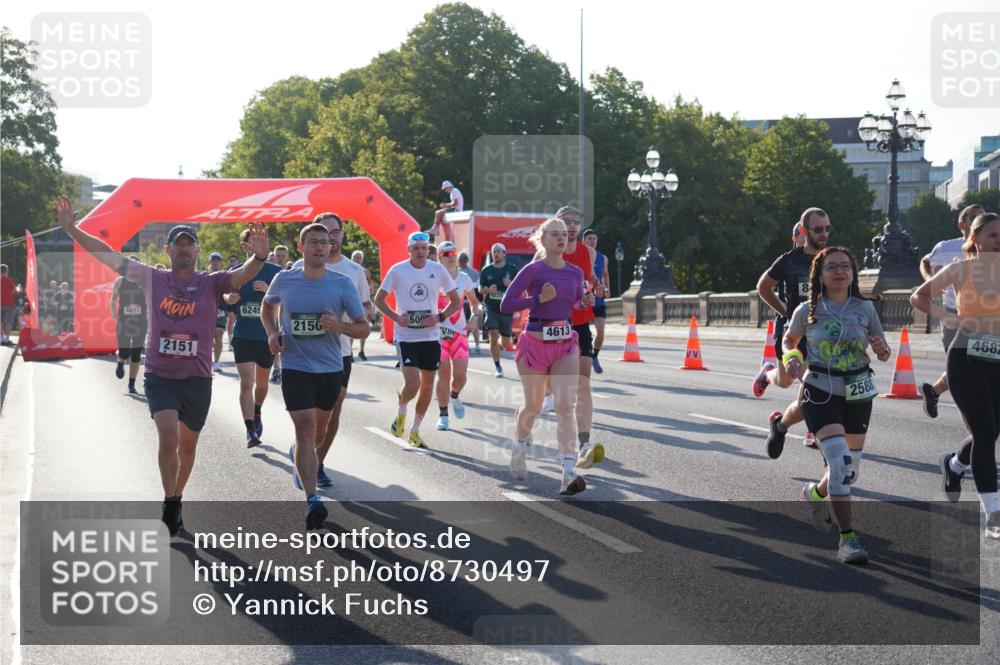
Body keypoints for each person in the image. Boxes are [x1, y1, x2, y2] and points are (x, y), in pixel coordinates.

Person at [54, 195, 269, 535]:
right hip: (161, 375)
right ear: (168, 250)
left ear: (197, 249)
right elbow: (108, 256)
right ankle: (170, 499)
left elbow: (243, 275)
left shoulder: (211, 282)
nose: (184, 248)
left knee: (188, 445)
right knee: (169, 438)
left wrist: (259, 256)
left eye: (189, 243)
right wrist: (72, 230)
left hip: (197, 377)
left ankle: (176, 496)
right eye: (178, 244)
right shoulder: (152, 277)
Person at [781, 246, 891, 564]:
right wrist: (792, 358)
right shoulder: (807, 310)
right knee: (840, 464)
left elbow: (884, 353)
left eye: (845, 266)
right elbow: (788, 341)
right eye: (831, 267)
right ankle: (848, 540)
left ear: (853, 273)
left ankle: (814, 494)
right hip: (819, 390)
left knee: (848, 472)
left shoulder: (865, 308)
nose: (839, 271)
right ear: (820, 275)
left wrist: (881, 349)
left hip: (858, 392)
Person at [262, 222, 368, 529]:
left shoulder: (341, 283)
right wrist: (272, 333)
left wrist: (340, 327)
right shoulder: (284, 279)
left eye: (324, 242)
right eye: (314, 242)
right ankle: (312, 500)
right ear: (302, 247)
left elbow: (363, 327)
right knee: (306, 430)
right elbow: (267, 307)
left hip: (330, 368)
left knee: (319, 432)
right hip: (295, 367)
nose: (320, 246)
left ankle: (300, 454)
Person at [911, 212, 1000, 539]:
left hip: (998, 358)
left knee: (990, 433)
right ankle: (993, 513)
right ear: (976, 239)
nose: (999, 241)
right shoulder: (960, 269)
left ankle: (954, 465)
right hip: (966, 356)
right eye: (993, 235)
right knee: (984, 432)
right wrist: (948, 317)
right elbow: (918, 296)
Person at [500, 217, 595, 495]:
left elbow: (573, 301)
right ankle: (519, 445)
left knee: (565, 407)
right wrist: (537, 300)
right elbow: (506, 304)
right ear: (542, 239)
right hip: (534, 344)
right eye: (554, 234)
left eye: (564, 234)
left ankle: (567, 474)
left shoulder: (575, 272)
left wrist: (584, 302)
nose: (561, 238)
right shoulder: (533, 270)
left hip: (565, 343)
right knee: (533, 406)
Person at [292, 213, 373, 487]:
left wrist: (350, 320)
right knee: (308, 417)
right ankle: (305, 454)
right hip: (303, 354)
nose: (330, 237)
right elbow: (280, 303)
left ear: (341, 235)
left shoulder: (354, 271)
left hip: (339, 353)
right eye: (324, 232)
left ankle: (317, 462)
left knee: (331, 414)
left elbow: (366, 308)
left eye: (335, 232)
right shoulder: (298, 266)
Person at [756, 208, 832, 456]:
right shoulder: (789, 260)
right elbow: (763, 287)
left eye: (827, 229)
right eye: (818, 229)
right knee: (785, 381)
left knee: (813, 387)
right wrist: (787, 313)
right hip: (792, 334)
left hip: (820, 336)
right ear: (804, 231)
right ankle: (768, 373)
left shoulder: (833, 260)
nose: (824, 234)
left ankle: (811, 431)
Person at [374, 231, 460, 448]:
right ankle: (402, 409)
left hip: (430, 336)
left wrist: (439, 317)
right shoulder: (398, 270)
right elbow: (379, 299)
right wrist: (396, 317)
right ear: (409, 250)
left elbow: (456, 301)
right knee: (413, 383)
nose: (421, 252)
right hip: (406, 336)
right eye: (416, 248)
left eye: (424, 248)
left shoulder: (437, 270)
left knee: (427, 385)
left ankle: (415, 431)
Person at [540, 206, 605, 468]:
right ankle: (528, 421)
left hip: (580, 325)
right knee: (557, 394)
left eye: (577, 222)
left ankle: (584, 445)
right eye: (567, 221)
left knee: (582, 384)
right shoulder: (545, 252)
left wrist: (596, 289)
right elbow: (530, 289)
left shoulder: (588, 253)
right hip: (554, 325)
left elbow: (591, 282)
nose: (573, 226)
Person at [918, 203, 985, 418]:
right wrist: (931, 281)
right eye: (973, 217)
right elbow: (925, 261)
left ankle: (933, 391)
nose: (978, 221)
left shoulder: (993, 246)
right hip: (954, 315)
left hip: (986, 319)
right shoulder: (946, 248)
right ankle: (976, 430)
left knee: (975, 370)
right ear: (961, 224)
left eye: (981, 217)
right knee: (964, 372)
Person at [224, 228, 283, 448]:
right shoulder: (236, 272)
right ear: (244, 246)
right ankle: (250, 430)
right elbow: (223, 294)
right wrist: (229, 297)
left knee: (262, 383)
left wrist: (269, 291)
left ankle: (257, 410)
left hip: (266, 335)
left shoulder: (275, 271)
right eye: (252, 242)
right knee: (247, 382)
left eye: (260, 242)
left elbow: (286, 301)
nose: (256, 245)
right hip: (243, 335)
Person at [434, 241, 483, 430]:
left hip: (460, 332)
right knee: (444, 373)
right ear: (440, 257)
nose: (451, 256)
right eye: (447, 253)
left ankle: (454, 395)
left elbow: (475, 303)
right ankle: (443, 415)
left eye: (453, 252)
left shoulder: (464, 279)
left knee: (461, 377)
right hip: (439, 333)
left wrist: (475, 317)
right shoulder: (434, 277)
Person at [479, 243, 519, 377]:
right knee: (493, 334)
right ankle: (498, 367)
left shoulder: (512, 269)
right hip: (491, 308)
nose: (495, 254)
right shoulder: (486, 270)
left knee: (506, 341)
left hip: (506, 309)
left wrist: (510, 284)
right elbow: (480, 288)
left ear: (504, 253)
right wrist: (488, 290)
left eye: (498, 251)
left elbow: (520, 287)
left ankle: (499, 346)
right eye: (494, 252)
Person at [110, 257, 148, 394]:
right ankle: (120, 361)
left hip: (141, 321)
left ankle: (131, 384)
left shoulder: (144, 282)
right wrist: (113, 311)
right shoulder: (120, 281)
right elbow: (113, 298)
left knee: (136, 354)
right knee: (125, 352)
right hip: (124, 321)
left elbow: (151, 299)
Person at [582, 228, 610, 374]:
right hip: (583, 299)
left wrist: (607, 289)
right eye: (589, 239)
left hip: (598, 299)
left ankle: (595, 356)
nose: (592, 241)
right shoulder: (579, 256)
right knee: (583, 333)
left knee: (601, 332)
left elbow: (605, 274)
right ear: (584, 241)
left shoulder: (602, 258)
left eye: (594, 238)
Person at [352, 250, 375, 361]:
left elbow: (369, 286)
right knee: (352, 327)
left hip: (363, 302)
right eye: (356, 257)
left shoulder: (366, 272)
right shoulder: (348, 269)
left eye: (360, 257)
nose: (358, 259)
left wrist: (370, 308)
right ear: (352, 258)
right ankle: (349, 352)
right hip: (351, 301)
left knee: (364, 326)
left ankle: (361, 351)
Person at [458, 252, 482, 355]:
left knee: (468, 324)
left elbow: (478, 289)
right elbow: (478, 289)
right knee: (471, 324)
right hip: (469, 302)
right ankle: (475, 346)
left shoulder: (458, 272)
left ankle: (473, 345)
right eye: (462, 260)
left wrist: (478, 302)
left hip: (466, 302)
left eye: (463, 260)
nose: (462, 262)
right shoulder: (474, 272)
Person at [208, 252, 227, 372]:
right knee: (208, 337)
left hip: (221, 309)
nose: (215, 262)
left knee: (218, 334)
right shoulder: (204, 276)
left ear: (221, 262)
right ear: (209, 262)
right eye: (213, 260)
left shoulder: (225, 276)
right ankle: (206, 359)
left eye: (218, 260)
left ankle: (216, 362)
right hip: (206, 309)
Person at [0, 264, 15, 346]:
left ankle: (1, 339)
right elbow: (13, 291)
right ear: (6, 271)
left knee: (1, 321)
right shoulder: (10, 281)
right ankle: (7, 339)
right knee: (8, 322)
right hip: (8, 304)